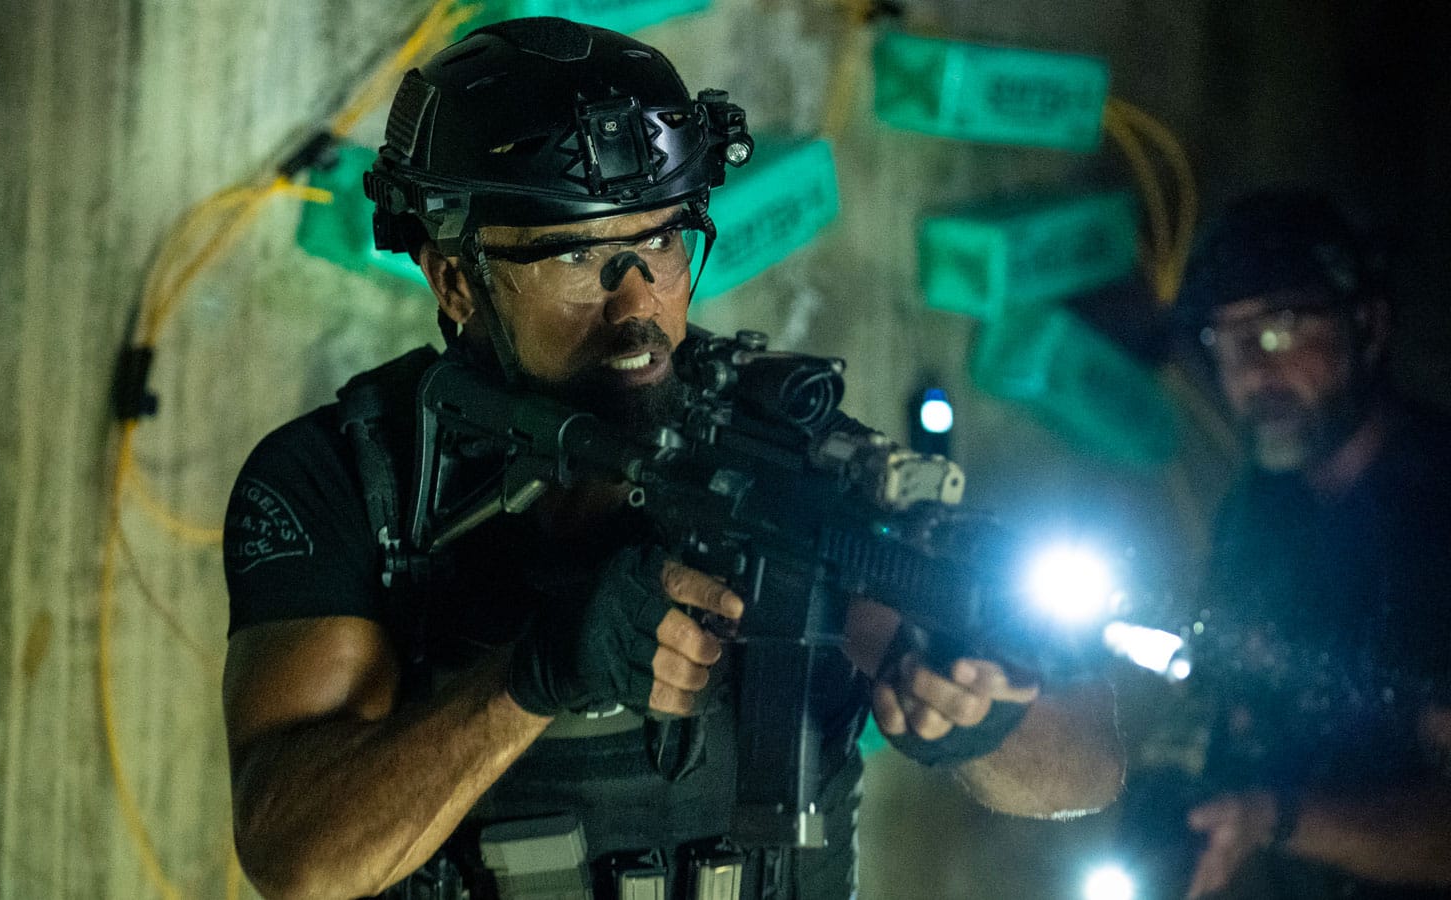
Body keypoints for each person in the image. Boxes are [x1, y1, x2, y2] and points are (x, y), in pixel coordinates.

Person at [219, 18, 1121, 900]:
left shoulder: (783, 454)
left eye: (660, 240)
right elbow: (300, 860)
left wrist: (979, 721)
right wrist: (530, 679)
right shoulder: (355, 479)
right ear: (455, 280)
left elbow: (1084, 772)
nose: (638, 305)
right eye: (580, 257)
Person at [1169, 189, 1451, 898]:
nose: (1251, 373)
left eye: (1282, 328)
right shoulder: (1258, 513)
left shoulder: (1435, 512)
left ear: (1368, 326)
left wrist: (1275, 819)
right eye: (1225, 341)